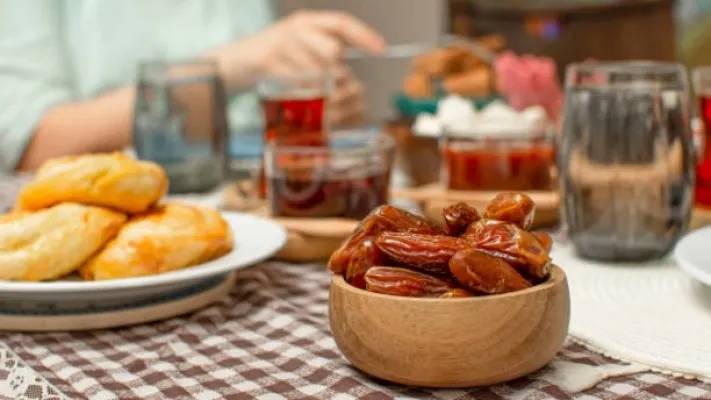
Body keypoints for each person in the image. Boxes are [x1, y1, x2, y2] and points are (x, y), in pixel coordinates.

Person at [0, 0, 385, 172]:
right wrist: (227, 65)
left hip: (254, 219)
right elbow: (32, 143)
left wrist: (316, 108)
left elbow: (258, 106)